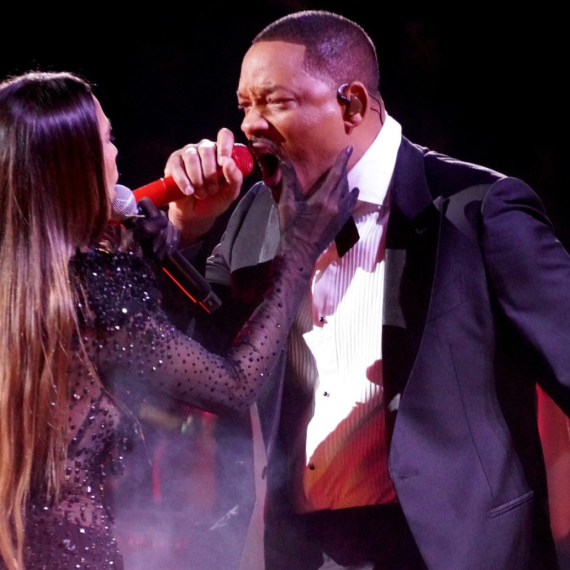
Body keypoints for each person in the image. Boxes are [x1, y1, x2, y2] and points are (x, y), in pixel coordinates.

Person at [164, 10, 570, 570]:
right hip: (309, 553)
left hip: (456, 549)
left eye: (275, 102)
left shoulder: (475, 209)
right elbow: (198, 365)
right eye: (244, 106)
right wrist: (184, 232)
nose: (251, 125)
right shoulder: (255, 214)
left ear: (351, 104)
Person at [0, 71, 356, 570]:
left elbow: (95, 340)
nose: (116, 154)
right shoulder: (96, 290)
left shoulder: (31, 287)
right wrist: (299, 248)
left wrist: (178, 234)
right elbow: (234, 385)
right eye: (107, 139)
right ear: (74, 166)